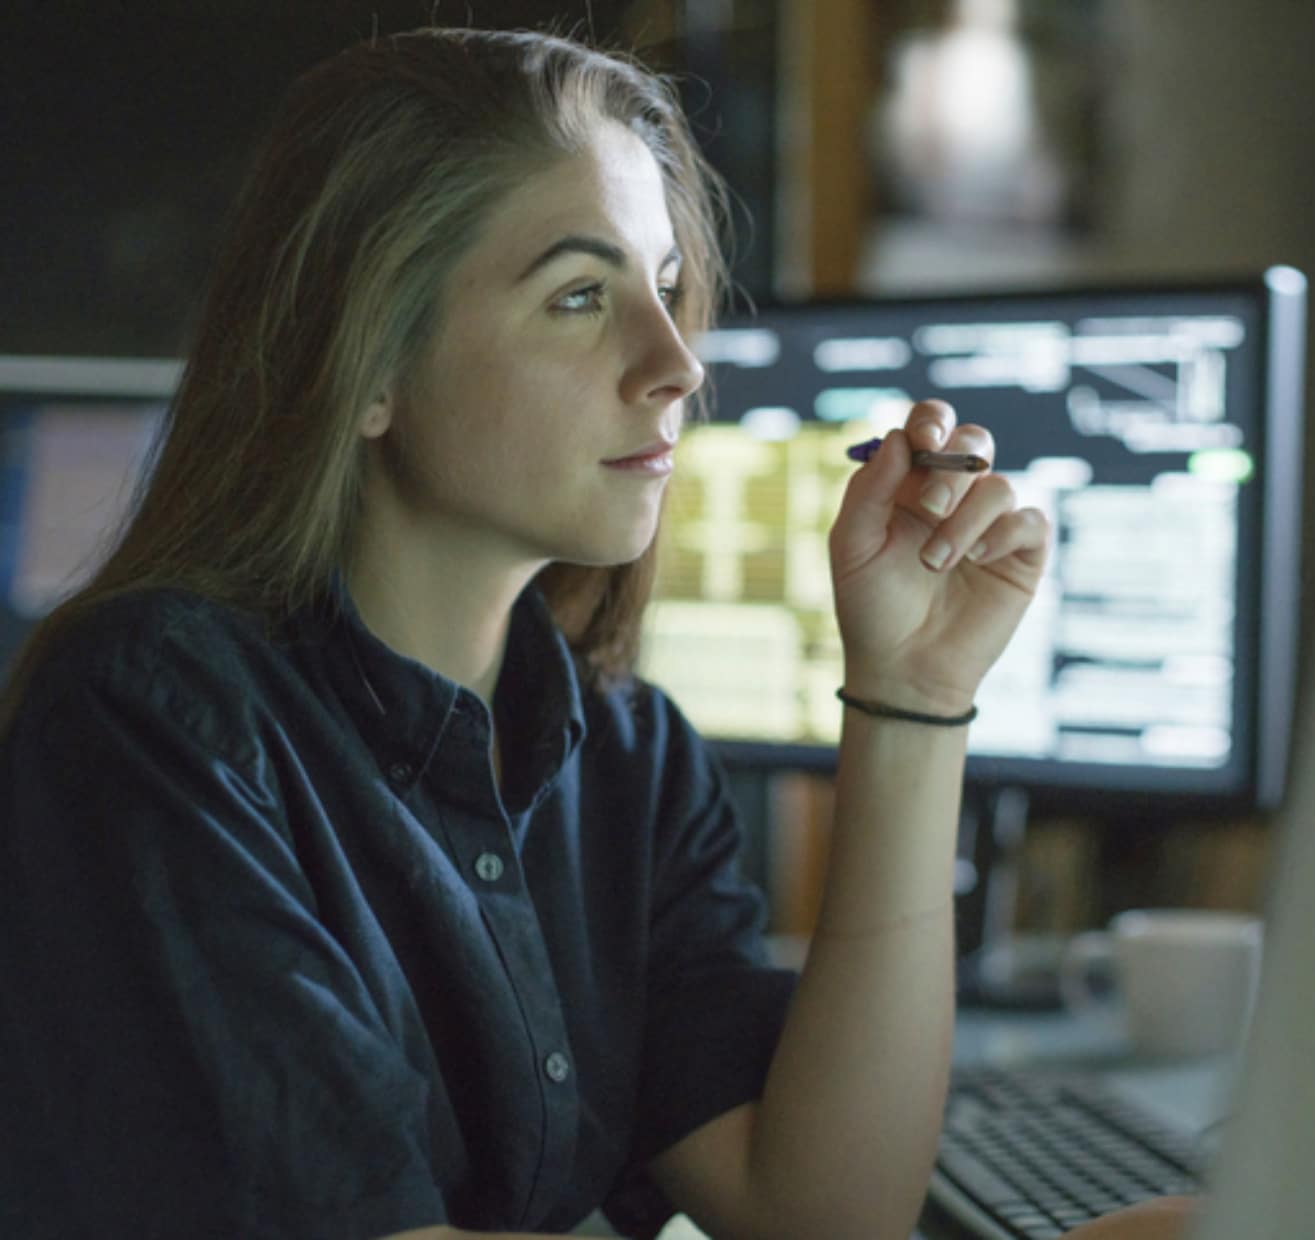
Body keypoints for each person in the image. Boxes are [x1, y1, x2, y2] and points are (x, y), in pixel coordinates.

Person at [0, 26, 1191, 1240]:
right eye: (580, 296)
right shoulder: (154, 717)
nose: (676, 363)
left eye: (668, 287)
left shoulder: (628, 753)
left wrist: (915, 693)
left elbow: (823, 1215)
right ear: (362, 366)